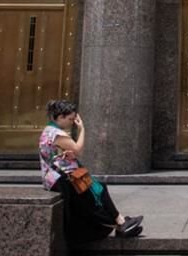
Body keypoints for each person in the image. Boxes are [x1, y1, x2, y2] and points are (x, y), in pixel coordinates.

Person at [39, 99, 144, 243]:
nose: (72, 122)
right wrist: (82, 129)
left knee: (98, 188)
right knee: (96, 191)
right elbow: (77, 149)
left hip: (58, 177)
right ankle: (120, 223)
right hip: (62, 179)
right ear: (61, 117)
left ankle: (121, 222)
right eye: (70, 119)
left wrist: (63, 154)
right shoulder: (57, 134)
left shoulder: (49, 131)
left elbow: (53, 154)